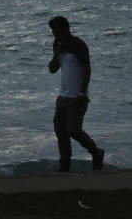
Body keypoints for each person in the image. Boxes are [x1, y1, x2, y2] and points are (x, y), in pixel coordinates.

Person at [47, 16, 104, 172]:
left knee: (73, 129)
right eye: (52, 31)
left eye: (56, 31)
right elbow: (52, 69)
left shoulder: (79, 45)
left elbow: (87, 69)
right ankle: (65, 165)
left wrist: (82, 92)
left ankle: (96, 152)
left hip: (77, 96)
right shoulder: (58, 45)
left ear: (66, 29)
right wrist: (56, 55)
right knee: (60, 131)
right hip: (62, 96)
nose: (54, 34)